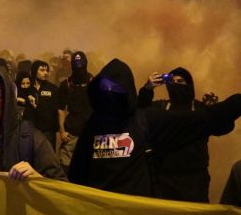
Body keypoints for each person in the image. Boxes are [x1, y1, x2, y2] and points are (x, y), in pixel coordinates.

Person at [68, 59, 241, 198]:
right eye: (104, 88)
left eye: (115, 88)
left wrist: (237, 102)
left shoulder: (143, 120)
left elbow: (206, 120)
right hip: (101, 214)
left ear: (126, 89)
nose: (109, 92)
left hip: (140, 214)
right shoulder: (92, 126)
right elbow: (77, 175)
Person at [135, 67, 217, 202]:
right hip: (163, 176)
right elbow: (139, 111)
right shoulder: (161, 106)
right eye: (172, 81)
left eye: (181, 81)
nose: (176, 84)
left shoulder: (199, 108)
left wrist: (211, 108)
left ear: (189, 85)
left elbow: (216, 125)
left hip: (194, 177)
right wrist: (147, 88)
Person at [57, 51, 92, 173]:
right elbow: (61, 109)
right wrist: (62, 131)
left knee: (88, 169)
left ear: (86, 64)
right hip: (71, 134)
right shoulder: (66, 84)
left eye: (81, 65)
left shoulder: (93, 82)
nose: (79, 68)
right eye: (76, 65)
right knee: (65, 168)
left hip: (89, 133)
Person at [29, 60, 60, 149]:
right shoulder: (28, 88)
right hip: (32, 130)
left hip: (48, 132)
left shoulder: (53, 88)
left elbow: (56, 110)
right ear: (35, 71)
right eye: (42, 70)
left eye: (47, 70)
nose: (45, 73)